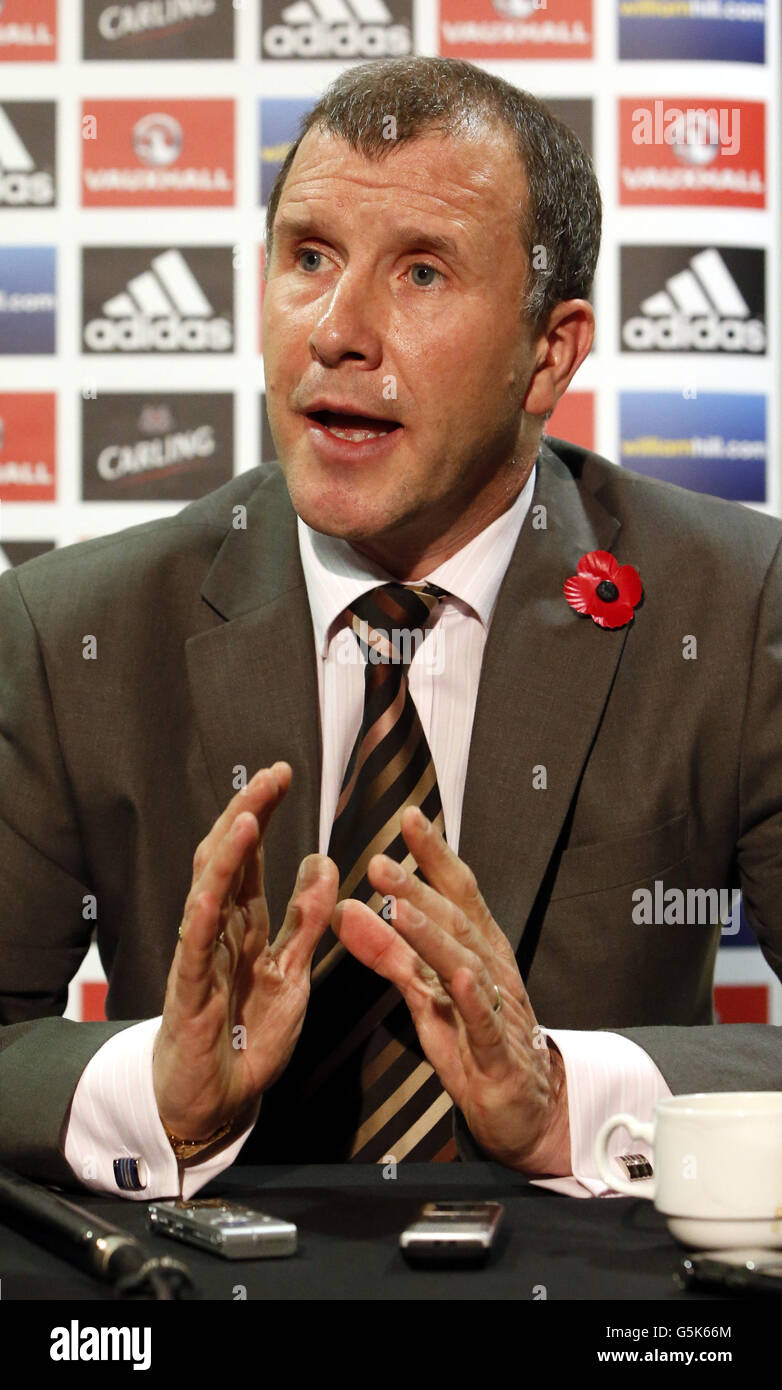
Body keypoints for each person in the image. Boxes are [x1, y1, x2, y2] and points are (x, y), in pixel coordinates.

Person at [1, 57, 780, 1203]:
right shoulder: (74, 629)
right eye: (308, 257)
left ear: (548, 352)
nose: (337, 330)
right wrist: (151, 1091)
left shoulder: (729, 602)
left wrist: (573, 1095)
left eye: (420, 271)